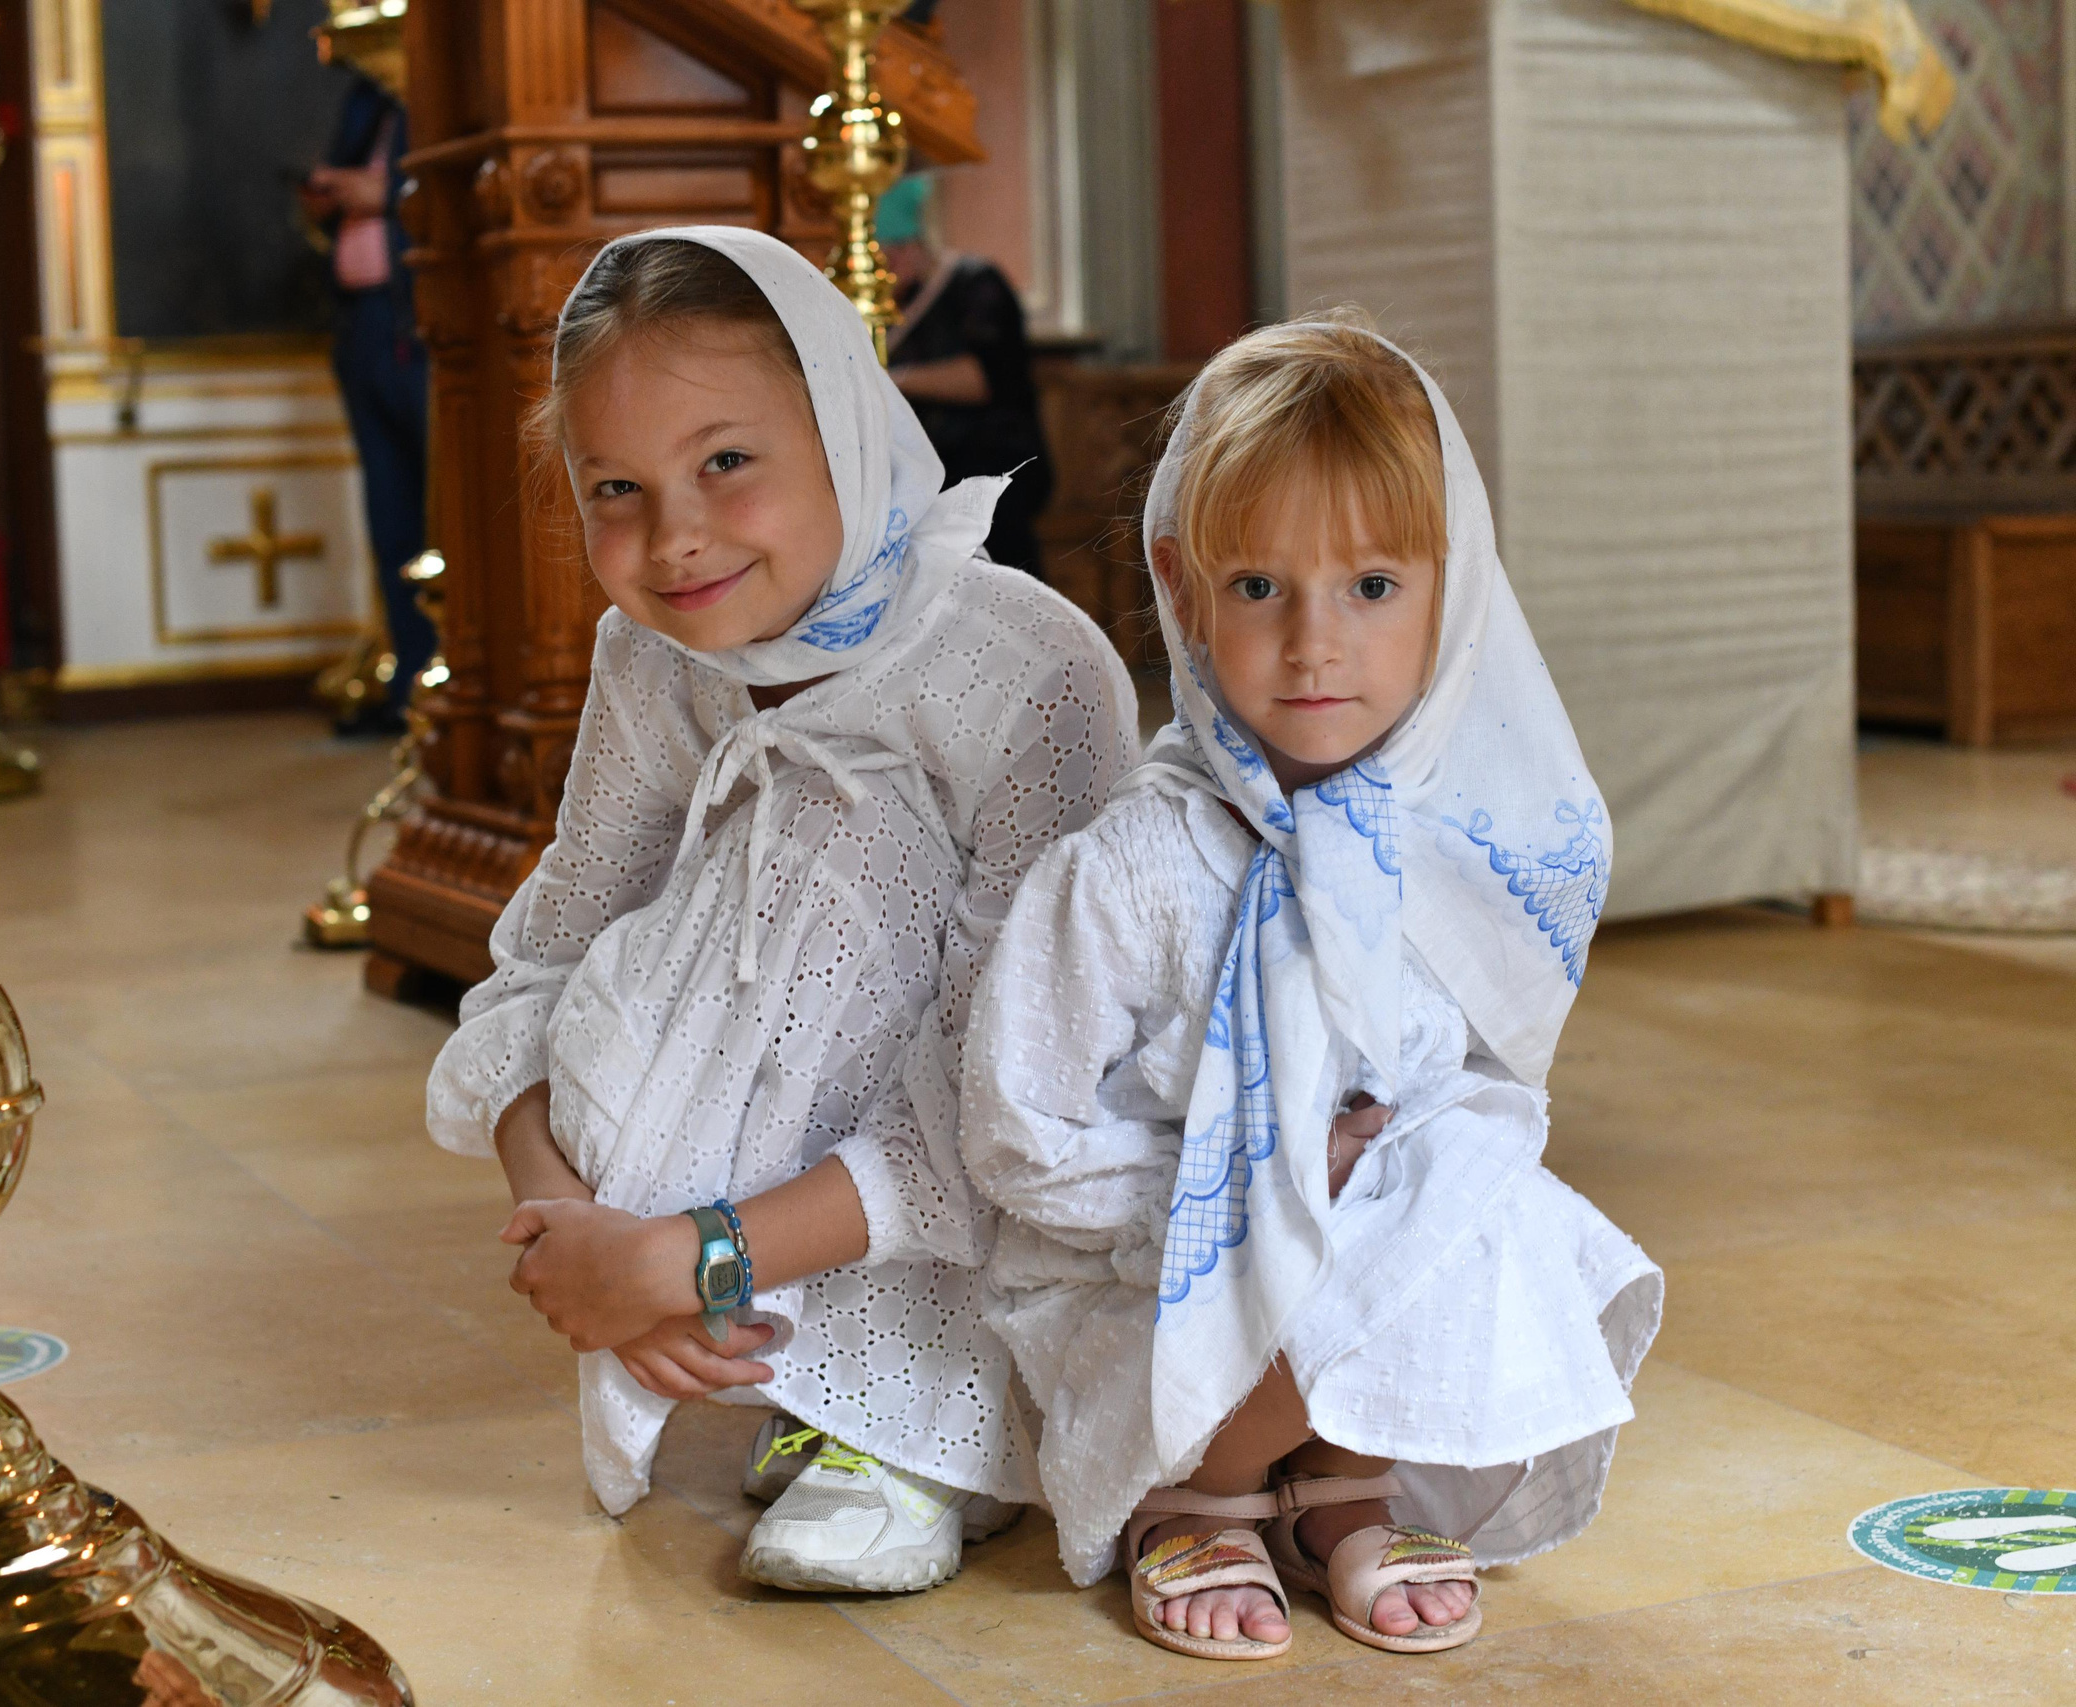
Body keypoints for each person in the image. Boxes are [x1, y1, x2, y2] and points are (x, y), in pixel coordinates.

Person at [422, 228, 1136, 1593]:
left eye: (726, 461)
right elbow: (544, 960)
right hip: (679, 1248)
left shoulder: (1026, 666)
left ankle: (932, 1410)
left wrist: (694, 1250)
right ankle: (795, 1363)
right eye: (614, 488)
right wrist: (570, 1230)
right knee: (653, 944)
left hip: (1017, 1162)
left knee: (838, 817)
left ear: (845, 427)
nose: (674, 534)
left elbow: (1027, 1085)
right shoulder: (656, 653)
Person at [959, 316, 1661, 1660]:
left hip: (1349, 1240)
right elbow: (1018, 1133)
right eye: (1263, 588)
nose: (1315, 644)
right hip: (1144, 1277)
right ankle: (1201, 1486)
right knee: (1321, 1219)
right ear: (1182, 584)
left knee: (1472, 1189)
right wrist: (1246, 1178)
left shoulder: (1435, 844)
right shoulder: (1133, 865)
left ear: (1453, 593)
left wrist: (1387, 1155)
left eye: (1374, 587)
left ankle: (1342, 1472)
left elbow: (1441, 1068)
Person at [305, 68, 428, 736]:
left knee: (440, 514)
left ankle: (447, 684)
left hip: (418, 331)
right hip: (362, 327)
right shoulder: (367, 96)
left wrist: (385, 194)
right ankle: (408, 684)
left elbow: (444, 186)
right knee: (390, 518)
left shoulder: (433, 85)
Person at [879, 175, 1052, 575]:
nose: (890, 265)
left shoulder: (975, 284)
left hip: (987, 472)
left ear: (916, 242)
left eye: (896, 251)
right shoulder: (889, 301)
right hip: (923, 484)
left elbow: (985, 376)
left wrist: (895, 380)